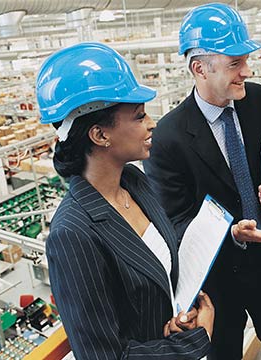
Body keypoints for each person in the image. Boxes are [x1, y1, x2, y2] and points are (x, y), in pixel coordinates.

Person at [37, 42, 214, 359]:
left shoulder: (135, 181)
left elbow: (153, 285)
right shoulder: (73, 234)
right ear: (100, 135)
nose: (151, 124)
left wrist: (178, 317)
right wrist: (195, 341)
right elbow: (105, 355)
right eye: (138, 116)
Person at [143, 3, 261, 359]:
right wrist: (230, 233)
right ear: (199, 68)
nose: (247, 71)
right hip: (218, 282)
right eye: (235, 63)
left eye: (245, 60)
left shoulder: (256, 99)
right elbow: (174, 224)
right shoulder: (169, 136)